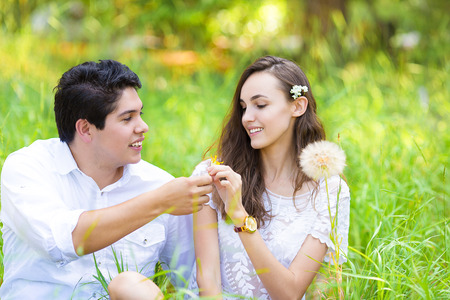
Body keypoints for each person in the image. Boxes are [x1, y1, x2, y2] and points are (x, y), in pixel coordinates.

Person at [0, 59, 213, 299]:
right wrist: (158, 203)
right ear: (86, 129)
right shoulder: (28, 168)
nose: (143, 127)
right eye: (127, 118)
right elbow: (62, 241)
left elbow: (193, 282)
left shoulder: (158, 184)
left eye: (140, 114)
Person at [191, 56, 350, 299]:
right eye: (243, 107)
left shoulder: (329, 191)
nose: (246, 117)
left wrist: (239, 215)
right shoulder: (213, 175)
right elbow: (208, 280)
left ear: (298, 106)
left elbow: (291, 293)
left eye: (260, 105)